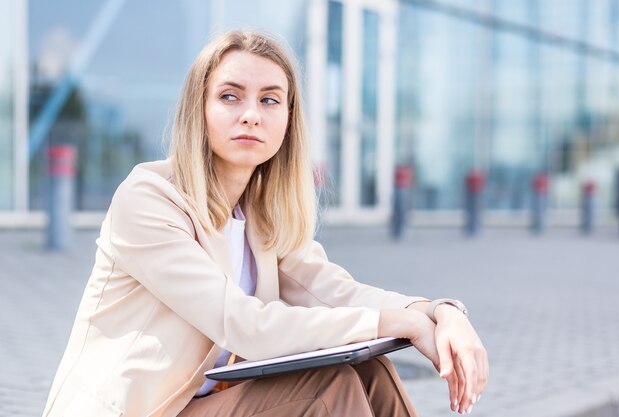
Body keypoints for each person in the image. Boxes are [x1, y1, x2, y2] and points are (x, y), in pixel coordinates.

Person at [42, 30, 488, 417]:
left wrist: (438, 311)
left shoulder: (259, 214)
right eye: (230, 96)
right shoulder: (149, 199)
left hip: (208, 405)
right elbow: (243, 325)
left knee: (368, 369)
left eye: (269, 99)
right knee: (328, 388)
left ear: (289, 120)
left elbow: (336, 292)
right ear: (200, 109)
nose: (251, 113)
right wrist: (400, 324)